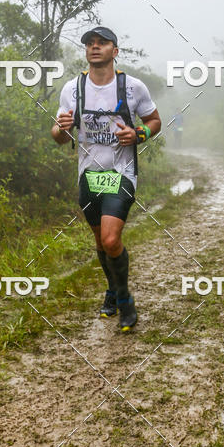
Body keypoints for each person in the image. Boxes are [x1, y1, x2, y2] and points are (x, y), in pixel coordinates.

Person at [50, 26, 161, 331]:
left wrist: (139, 133)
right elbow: (59, 136)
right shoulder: (72, 89)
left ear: (115, 50)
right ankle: (111, 290)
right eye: (90, 43)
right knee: (101, 242)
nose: (94, 47)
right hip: (88, 174)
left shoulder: (132, 87)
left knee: (112, 239)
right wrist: (63, 128)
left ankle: (124, 300)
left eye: (102, 43)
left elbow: (154, 120)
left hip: (121, 172)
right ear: (86, 51)